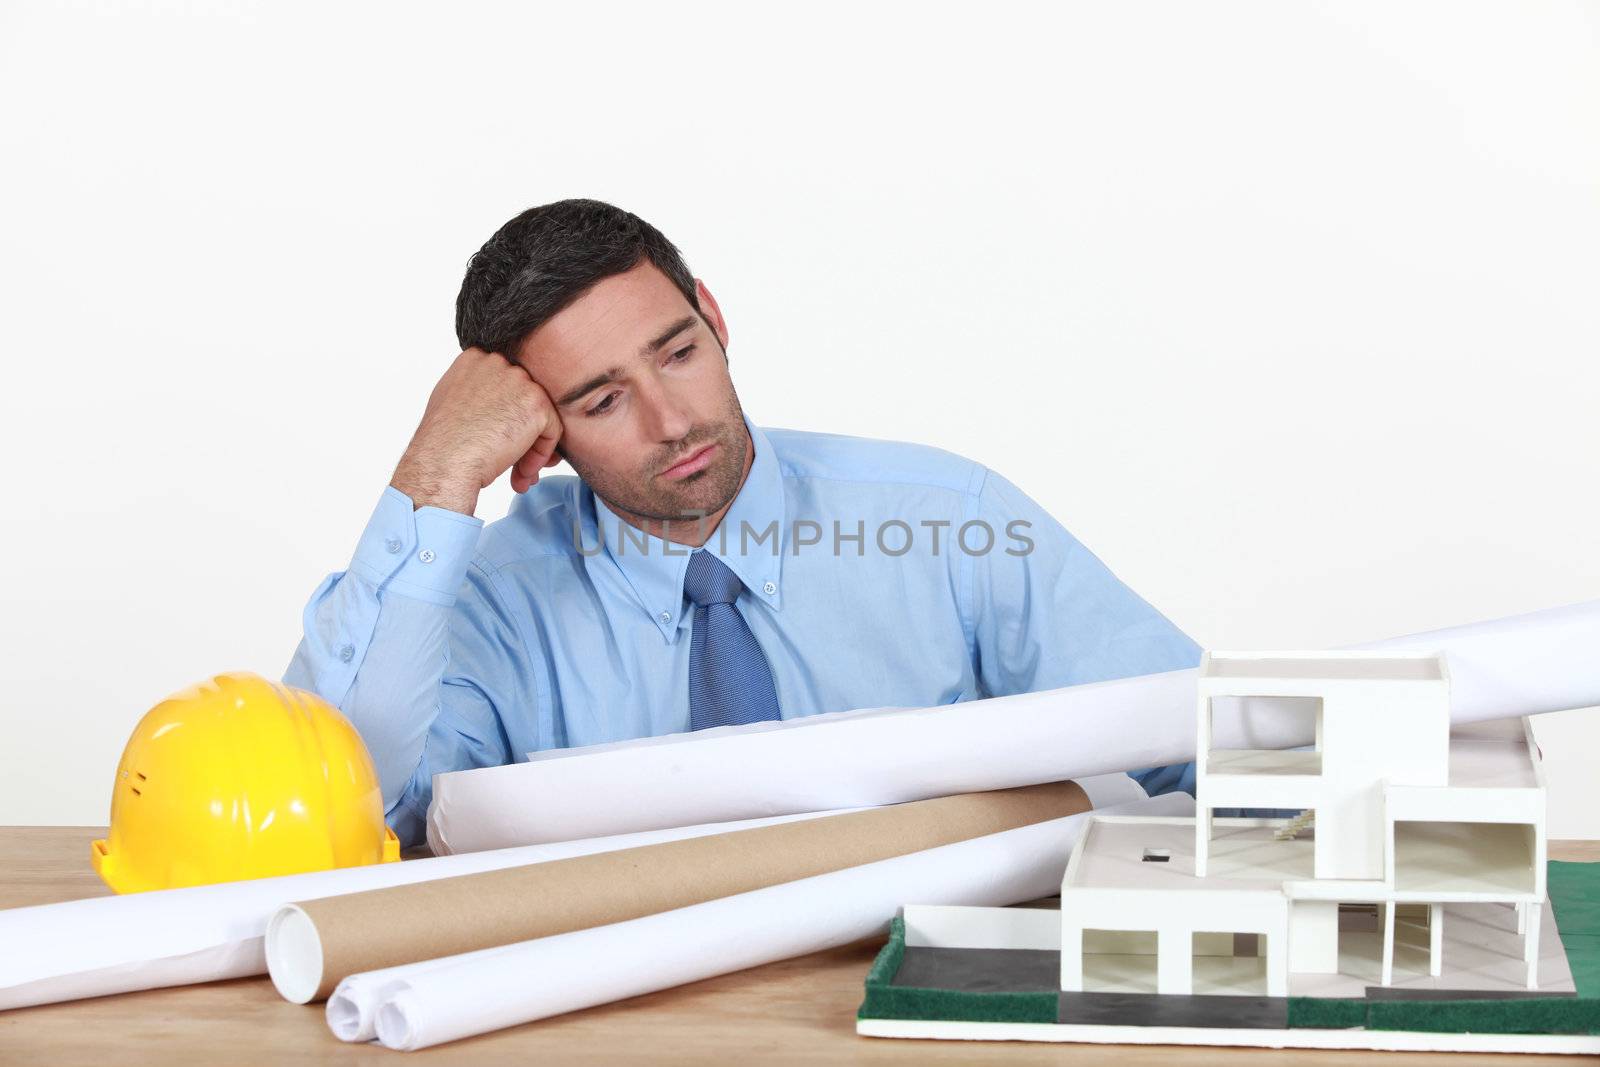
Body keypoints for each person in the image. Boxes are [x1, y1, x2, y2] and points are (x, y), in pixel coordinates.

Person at [283, 198, 1200, 848]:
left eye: (678, 352)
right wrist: (434, 473)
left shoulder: (948, 523)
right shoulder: (489, 604)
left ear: (713, 317)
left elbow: (1202, 747)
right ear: (544, 434)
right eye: (603, 401)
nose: (671, 421)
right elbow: (342, 812)